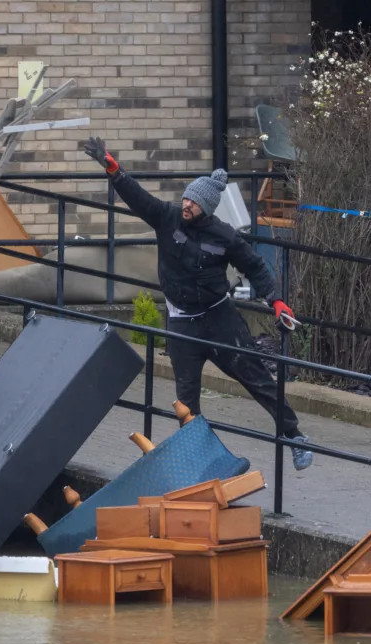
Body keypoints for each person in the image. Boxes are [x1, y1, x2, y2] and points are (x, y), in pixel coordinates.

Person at [83, 136, 313, 471]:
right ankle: (203, 461)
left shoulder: (224, 236)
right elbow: (138, 199)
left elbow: (255, 266)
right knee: (186, 399)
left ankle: (294, 437)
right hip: (182, 322)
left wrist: (276, 301)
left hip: (219, 319)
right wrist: (113, 169)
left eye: (194, 202)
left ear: (207, 207)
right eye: (186, 198)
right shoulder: (168, 218)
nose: (187, 204)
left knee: (257, 378)